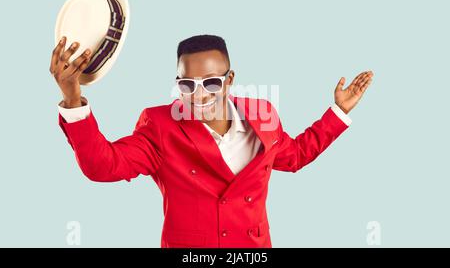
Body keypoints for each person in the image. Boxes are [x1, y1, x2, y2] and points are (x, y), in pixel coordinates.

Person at [50, 34, 374, 248]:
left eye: (212, 82)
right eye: (188, 84)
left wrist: (338, 111)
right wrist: (73, 99)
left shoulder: (262, 114)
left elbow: (295, 156)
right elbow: (103, 166)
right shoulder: (159, 125)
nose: (200, 94)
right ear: (178, 84)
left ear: (230, 80)